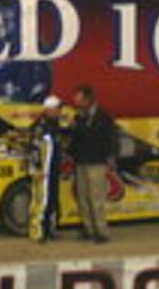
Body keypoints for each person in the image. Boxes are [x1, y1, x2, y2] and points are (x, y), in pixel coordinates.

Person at [68, 85, 116, 243]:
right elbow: (76, 139)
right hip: (81, 161)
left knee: (96, 197)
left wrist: (110, 158)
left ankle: (101, 231)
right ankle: (88, 228)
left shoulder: (103, 117)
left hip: (96, 162)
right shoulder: (79, 117)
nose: (76, 102)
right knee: (82, 196)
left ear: (88, 100)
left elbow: (95, 137)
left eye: (79, 99)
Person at [29, 96, 66, 242]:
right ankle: (37, 231)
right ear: (49, 109)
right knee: (41, 201)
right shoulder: (40, 126)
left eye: (60, 108)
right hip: (43, 170)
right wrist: (37, 167)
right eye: (57, 108)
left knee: (52, 199)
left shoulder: (55, 125)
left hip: (53, 169)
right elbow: (33, 148)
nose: (59, 111)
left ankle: (50, 229)